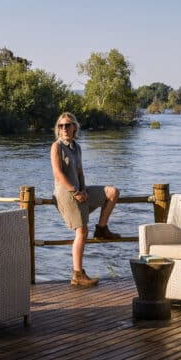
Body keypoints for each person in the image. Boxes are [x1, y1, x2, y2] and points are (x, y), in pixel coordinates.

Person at [50, 112, 121, 287]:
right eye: (61, 126)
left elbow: (80, 171)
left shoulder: (77, 147)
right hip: (65, 193)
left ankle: (102, 228)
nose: (64, 128)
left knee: (112, 192)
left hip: (80, 190)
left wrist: (83, 188)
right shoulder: (56, 146)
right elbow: (58, 173)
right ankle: (77, 274)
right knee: (82, 231)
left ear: (74, 127)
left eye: (67, 125)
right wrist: (75, 191)